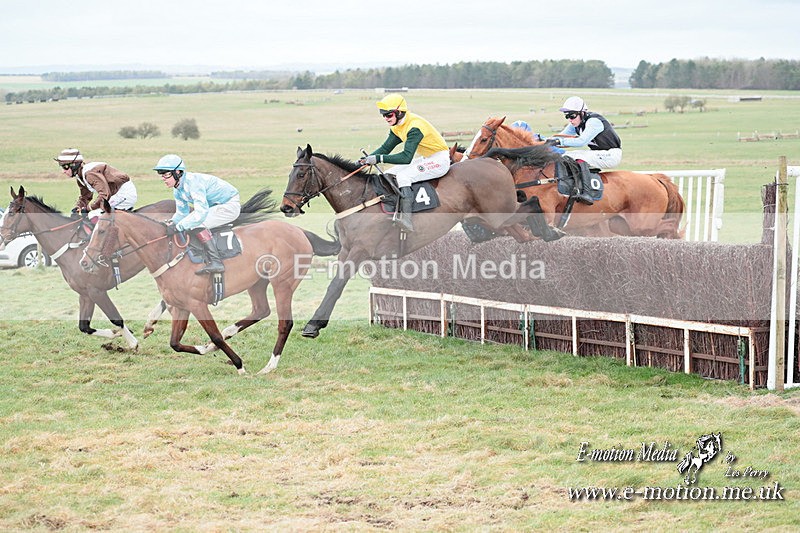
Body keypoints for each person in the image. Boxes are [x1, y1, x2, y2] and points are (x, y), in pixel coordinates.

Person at [358, 93, 450, 232]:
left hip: (439, 160)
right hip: (427, 158)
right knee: (387, 174)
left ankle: (407, 219)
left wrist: (378, 159)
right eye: (383, 115)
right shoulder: (397, 126)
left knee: (403, 177)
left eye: (388, 115)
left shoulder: (415, 127)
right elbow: (386, 148)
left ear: (399, 113)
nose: (385, 118)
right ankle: (392, 209)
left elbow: (406, 157)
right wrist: (366, 160)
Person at [154, 154, 241, 275]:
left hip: (229, 206)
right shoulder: (178, 189)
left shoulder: (193, 183)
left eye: (166, 174)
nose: (163, 178)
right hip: (216, 206)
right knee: (189, 222)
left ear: (178, 172)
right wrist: (172, 222)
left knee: (196, 223)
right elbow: (182, 213)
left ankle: (216, 262)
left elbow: (201, 214)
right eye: (161, 174)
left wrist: (179, 227)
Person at [547, 97, 622, 205]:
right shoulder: (576, 124)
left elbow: (581, 141)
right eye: (567, 116)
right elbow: (560, 136)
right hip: (599, 154)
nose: (570, 120)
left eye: (572, 116)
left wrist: (559, 142)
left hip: (611, 155)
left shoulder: (594, 122)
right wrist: (542, 140)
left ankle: (587, 193)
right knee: (566, 155)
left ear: (582, 113)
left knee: (578, 157)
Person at [54, 148, 138, 218]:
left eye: (65, 167)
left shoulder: (89, 174)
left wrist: (88, 209)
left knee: (93, 216)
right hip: (113, 195)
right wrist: (78, 207)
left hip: (123, 194)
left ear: (74, 165)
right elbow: (85, 196)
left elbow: (104, 194)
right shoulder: (80, 176)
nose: (63, 171)